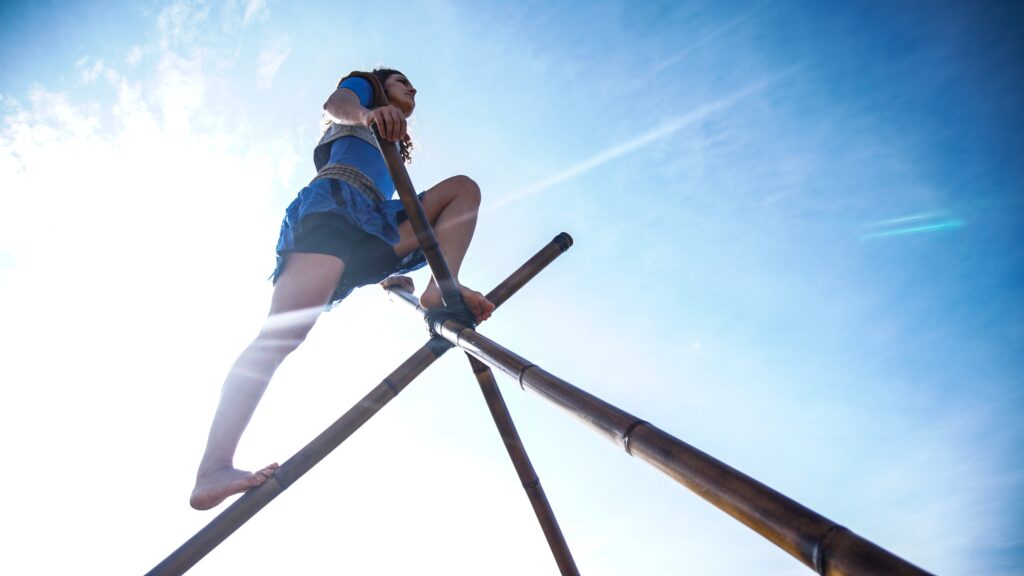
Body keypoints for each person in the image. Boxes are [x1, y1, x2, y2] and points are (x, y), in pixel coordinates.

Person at [190, 68, 496, 510]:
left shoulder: (393, 137)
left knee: (462, 190)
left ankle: (435, 289)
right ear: (380, 82)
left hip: (378, 222)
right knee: (282, 336)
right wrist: (368, 112)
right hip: (334, 209)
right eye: (401, 81)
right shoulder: (360, 95)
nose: (412, 89)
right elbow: (334, 106)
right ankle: (213, 468)